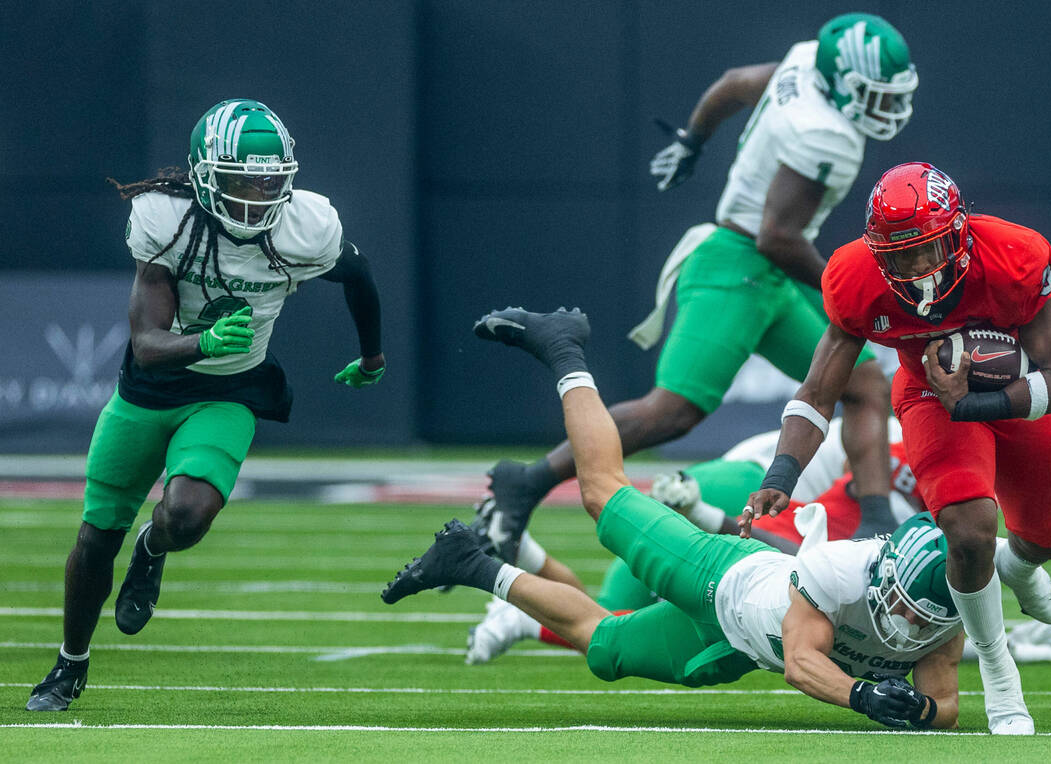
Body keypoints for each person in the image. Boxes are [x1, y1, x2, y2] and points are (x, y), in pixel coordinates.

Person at [473, 12, 923, 562]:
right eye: (873, 95)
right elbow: (777, 238)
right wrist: (855, 286)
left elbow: (732, 84)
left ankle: (873, 521)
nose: (885, 108)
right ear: (841, 82)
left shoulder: (806, 64)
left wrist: (693, 139)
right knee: (673, 411)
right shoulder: (825, 134)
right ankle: (529, 480)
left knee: (864, 385)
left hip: (763, 270)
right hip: (740, 265)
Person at [385, 306, 965, 731]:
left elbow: (947, 708)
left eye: (920, 616)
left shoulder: (946, 616)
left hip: (737, 645)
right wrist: (866, 697)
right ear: (883, 572)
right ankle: (562, 347)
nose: (905, 621)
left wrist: (920, 710)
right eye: (901, 602)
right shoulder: (843, 570)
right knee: (601, 494)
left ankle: (471, 563)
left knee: (606, 649)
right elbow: (801, 663)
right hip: (722, 575)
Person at [26, 99, 387, 712]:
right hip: (152, 389)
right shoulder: (166, 219)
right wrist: (203, 341)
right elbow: (145, 347)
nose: (258, 191)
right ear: (203, 176)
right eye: (242, 177)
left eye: (272, 178)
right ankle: (70, 665)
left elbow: (358, 275)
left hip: (231, 389)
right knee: (95, 535)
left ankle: (154, 546)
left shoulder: (307, 226)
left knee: (187, 517)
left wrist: (372, 355)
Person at [743, 162, 1051, 735]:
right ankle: (1001, 674)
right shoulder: (857, 277)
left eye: (926, 250)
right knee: (968, 526)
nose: (916, 267)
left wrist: (974, 403)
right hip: (928, 391)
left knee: (1048, 538)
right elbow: (819, 390)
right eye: (898, 255)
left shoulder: (1012, 258)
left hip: (1015, 390)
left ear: (958, 232)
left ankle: (1018, 564)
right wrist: (783, 471)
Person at [465, 417, 1051, 668]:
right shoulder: (907, 453)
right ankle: (513, 595)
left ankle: (514, 568)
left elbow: (934, 594)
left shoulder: (932, 472)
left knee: (614, 619)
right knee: (622, 615)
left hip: (759, 498)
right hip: (748, 497)